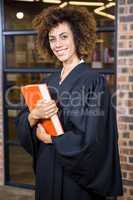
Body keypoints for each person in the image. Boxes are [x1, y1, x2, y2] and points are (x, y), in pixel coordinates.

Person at [16, 5, 123, 200]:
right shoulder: (47, 82)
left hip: (76, 181)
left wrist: (53, 140)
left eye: (64, 36)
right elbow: (24, 124)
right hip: (47, 171)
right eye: (52, 39)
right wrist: (33, 116)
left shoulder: (94, 82)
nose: (57, 44)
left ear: (78, 37)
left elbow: (96, 139)